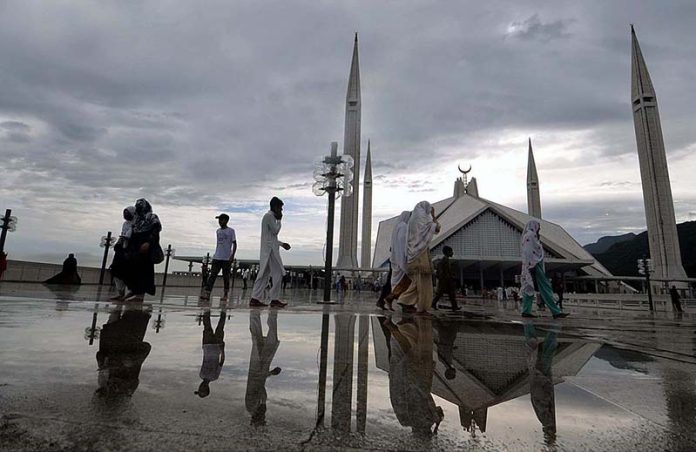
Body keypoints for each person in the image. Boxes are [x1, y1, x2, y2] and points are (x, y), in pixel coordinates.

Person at [384, 315, 444, 436]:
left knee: (408, 352)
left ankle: (395, 326)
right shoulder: (405, 420)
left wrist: (437, 424)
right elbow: (396, 397)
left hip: (417, 380)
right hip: (406, 379)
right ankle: (394, 327)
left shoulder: (428, 419)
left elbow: (437, 409)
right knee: (404, 352)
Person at [95, 303, 151, 399]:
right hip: (130, 331)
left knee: (120, 304)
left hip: (112, 335)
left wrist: (102, 362)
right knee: (133, 303)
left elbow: (100, 353)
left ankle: (123, 293)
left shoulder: (104, 380)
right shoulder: (130, 376)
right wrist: (128, 360)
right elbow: (146, 347)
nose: (113, 386)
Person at [398, 202, 441, 314]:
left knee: (419, 282)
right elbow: (437, 228)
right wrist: (433, 215)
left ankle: (408, 302)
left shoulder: (414, 221)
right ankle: (410, 302)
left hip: (416, 254)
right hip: (420, 256)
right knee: (422, 283)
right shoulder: (422, 221)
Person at [520, 220, 568, 319]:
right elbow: (530, 252)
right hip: (534, 264)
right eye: (539, 227)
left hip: (529, 265)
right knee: (545, 287)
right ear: (534, 226)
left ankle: (526, 310)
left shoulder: (528, 236)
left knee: (528, 288)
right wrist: (532, 266)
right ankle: (556, 312)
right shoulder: (531, 236)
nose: (539, 229)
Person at [249, 197, 290, 308]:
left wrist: (282, 244)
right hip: (270, 251)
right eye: (280, 209)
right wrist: (280, 220)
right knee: (277, 273)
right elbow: (275, 231)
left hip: (269, 249)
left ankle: (255, 298)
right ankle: (274, 299)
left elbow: (272, 237)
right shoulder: (269, 216)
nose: (281, 211)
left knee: (264, 275)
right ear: (275, 207)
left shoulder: (268, 217)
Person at [246, 310, 281, 426]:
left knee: (257, 340)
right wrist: (271, 373)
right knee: (271, 342)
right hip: (262, 371)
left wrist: (270, 373)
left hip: (255, 370)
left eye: (262, 420)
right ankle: (272, 317)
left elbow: (256, 386)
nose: (264, 417)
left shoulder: (251, 407)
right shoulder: (262, 405)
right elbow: (261, 385)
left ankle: (254, 315)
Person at [123, 199, 162, 302]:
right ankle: (134, 290)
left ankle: (140, 294)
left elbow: (156, 230)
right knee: (132, 269)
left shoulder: (152, 217)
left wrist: (149, 242)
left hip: (146, 248)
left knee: (144, 271)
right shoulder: (137, 219)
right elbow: (133, 232)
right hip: (135, 247)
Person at [201, 214, 237, 302]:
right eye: (219, 220)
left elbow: (234, 243)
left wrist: (232, 255)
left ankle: (225, 294)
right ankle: (207, 293)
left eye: (221, 220)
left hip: (226, 258)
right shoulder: (218, 231)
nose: (219, 222)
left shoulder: (231, 231)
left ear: (226, 220)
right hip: (217, 257)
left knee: (226, 277)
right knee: (212, 275)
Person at [382, 211, 412, 310]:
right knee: (405, 282)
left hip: (394, 259)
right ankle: (399, 301)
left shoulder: (398, 227)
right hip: (401, 259)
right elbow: (402, 245)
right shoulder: (403, 227)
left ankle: (395, 300)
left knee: (401, 283)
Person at [195, 308, 226, 398]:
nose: (201, 386)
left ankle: (206, 311)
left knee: (207, 327)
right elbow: (221, 362)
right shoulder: (214, 377)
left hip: (207, 346)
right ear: (207, 388)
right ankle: (223, 312)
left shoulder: (201, 375)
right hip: (216, 347)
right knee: (220, 327)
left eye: (200, 388)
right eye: (202, 388)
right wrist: (222, 349)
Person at [110, 206, 135, 301]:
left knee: (128, 271)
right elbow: (123, 234)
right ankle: (120, 292)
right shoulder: (125, 224)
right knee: (116, 269)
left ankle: (130, 292)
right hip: (121, 248)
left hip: (130, 250)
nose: (126, 215)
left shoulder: (137, 224)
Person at [432, 246, 460, 311]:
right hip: (445, 280)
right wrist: (443, 278)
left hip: (447, 280)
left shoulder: (446, 260)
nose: (452, 253)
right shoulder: (444, 260)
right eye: (451, 251)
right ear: (447, 252)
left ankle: (454, 306)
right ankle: (433, 303)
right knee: (440, 293)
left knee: (451, 294)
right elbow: (441, 270)